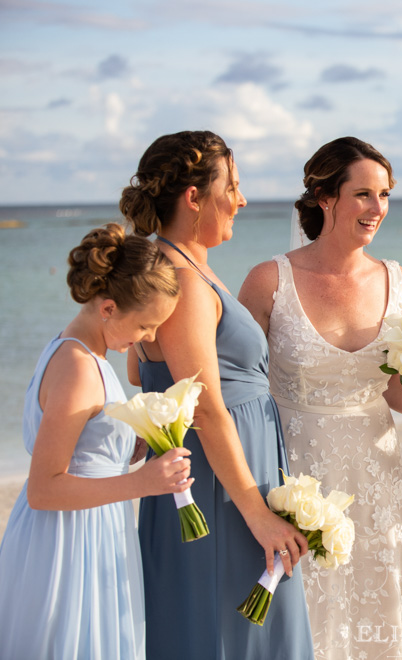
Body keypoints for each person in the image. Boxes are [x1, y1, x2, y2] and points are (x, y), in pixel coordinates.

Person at [240, 136, 402, 659]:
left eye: (384, 195)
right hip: (296, 473)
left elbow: (389, 386)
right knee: (306, 612)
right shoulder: (270, 280)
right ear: (323, 197)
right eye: (362, 194)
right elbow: (242, 389)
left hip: (377, 474)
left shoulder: (396, 279)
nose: (376, 208)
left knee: (379, 609)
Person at [121, 131, 314, 659]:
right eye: (232, 185)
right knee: (225, 631)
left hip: (230, 474)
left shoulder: (177, 267)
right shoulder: (179, 275)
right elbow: (204, 402)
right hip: (218, 488)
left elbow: (141, 373)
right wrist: (256, 510)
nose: (242, 199)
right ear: (193, 197)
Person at [0, 224, 191, 659]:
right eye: (145, 326)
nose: (147, 339)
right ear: (107, 307)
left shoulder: (81, 352)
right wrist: (142, 483)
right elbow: (44, 487)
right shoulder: (78, 367)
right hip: (68, 541)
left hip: (90, 527)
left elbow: (82, 445)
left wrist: (128, 444)